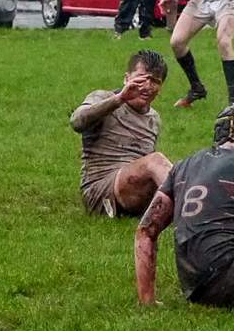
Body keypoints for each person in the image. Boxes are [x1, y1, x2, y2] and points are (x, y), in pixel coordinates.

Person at [135, 104, 234, 308]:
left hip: (195, 291)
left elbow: (145, 232)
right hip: (231, 281)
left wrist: (147, 301)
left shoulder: (183, 166)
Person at [69, 49, 172, 217]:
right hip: (101, 192)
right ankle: (190, 211)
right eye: (141, 79)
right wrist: (119, 99)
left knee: (186, 168)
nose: (147, 86)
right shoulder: (103, 97)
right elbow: (76, 122)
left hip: (133, 189)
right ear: (127, 78)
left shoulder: (154, 118)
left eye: (155, 82)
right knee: (157, 161)